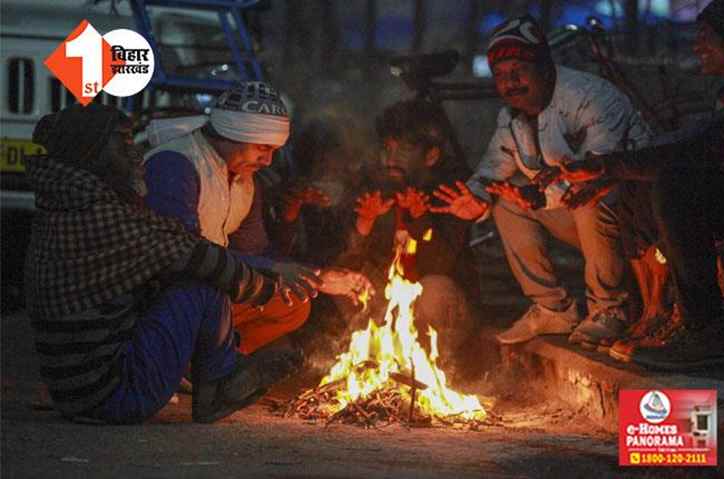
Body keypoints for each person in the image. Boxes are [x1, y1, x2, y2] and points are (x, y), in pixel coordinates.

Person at [24, 103, 308, 425]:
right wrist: (261, 288)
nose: (135, 154)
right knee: (204, 281)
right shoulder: (119, 203)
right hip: (114, 396)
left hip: (81, 395)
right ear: (92, 154)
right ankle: (218, 384)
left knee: (207, 275)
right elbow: (191, 253)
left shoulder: (76, 206)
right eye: (122, 145)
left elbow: (174, 241)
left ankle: (219, 371)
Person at [543, 0, 724, 370]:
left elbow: (704, 149)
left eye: (704, 36)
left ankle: (707, 328)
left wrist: (610, 164)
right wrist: (613, 171)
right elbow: (705, 143)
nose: (697, 46)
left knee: (674, 184)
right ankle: (660, 311)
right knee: (641, 184)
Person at [431, 15, 651, 349]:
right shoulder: (511, 118)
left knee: (589, 196)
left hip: (639, 224)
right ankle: (553, 308)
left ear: (545, 68)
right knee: (506, 202)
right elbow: (492, 171)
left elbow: (598, 176)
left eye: (519, 70)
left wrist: (537, 197)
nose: (511, 83)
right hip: (580, 219)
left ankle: (610, 310)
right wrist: (476, 198)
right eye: (501, 76)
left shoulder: (591, 97)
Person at [144, 81, 373, 356]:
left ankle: (208, 367)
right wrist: (285, 271)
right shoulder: (176, 163)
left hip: (208, 282)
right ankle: (165, 358)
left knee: (291, 302)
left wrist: (318, 276)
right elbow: (183, 253)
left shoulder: (246, 181)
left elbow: (257, 252)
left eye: (273, 151)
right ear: (233, 133)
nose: (267, 161)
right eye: (262, 148)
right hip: (160, 290)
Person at [337, 99, 476, 366]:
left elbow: (440, 265)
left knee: (435, 291)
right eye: (388, 148)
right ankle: (370, 362)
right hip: (383, 307)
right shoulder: (372, 188)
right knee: (342, 280)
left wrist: (420, 219)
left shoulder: (450, 194)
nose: (391, 158)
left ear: (431, 156)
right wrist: (364, 223)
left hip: (437, 311)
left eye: (404, 149)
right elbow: (347, 261)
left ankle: (437, 369)